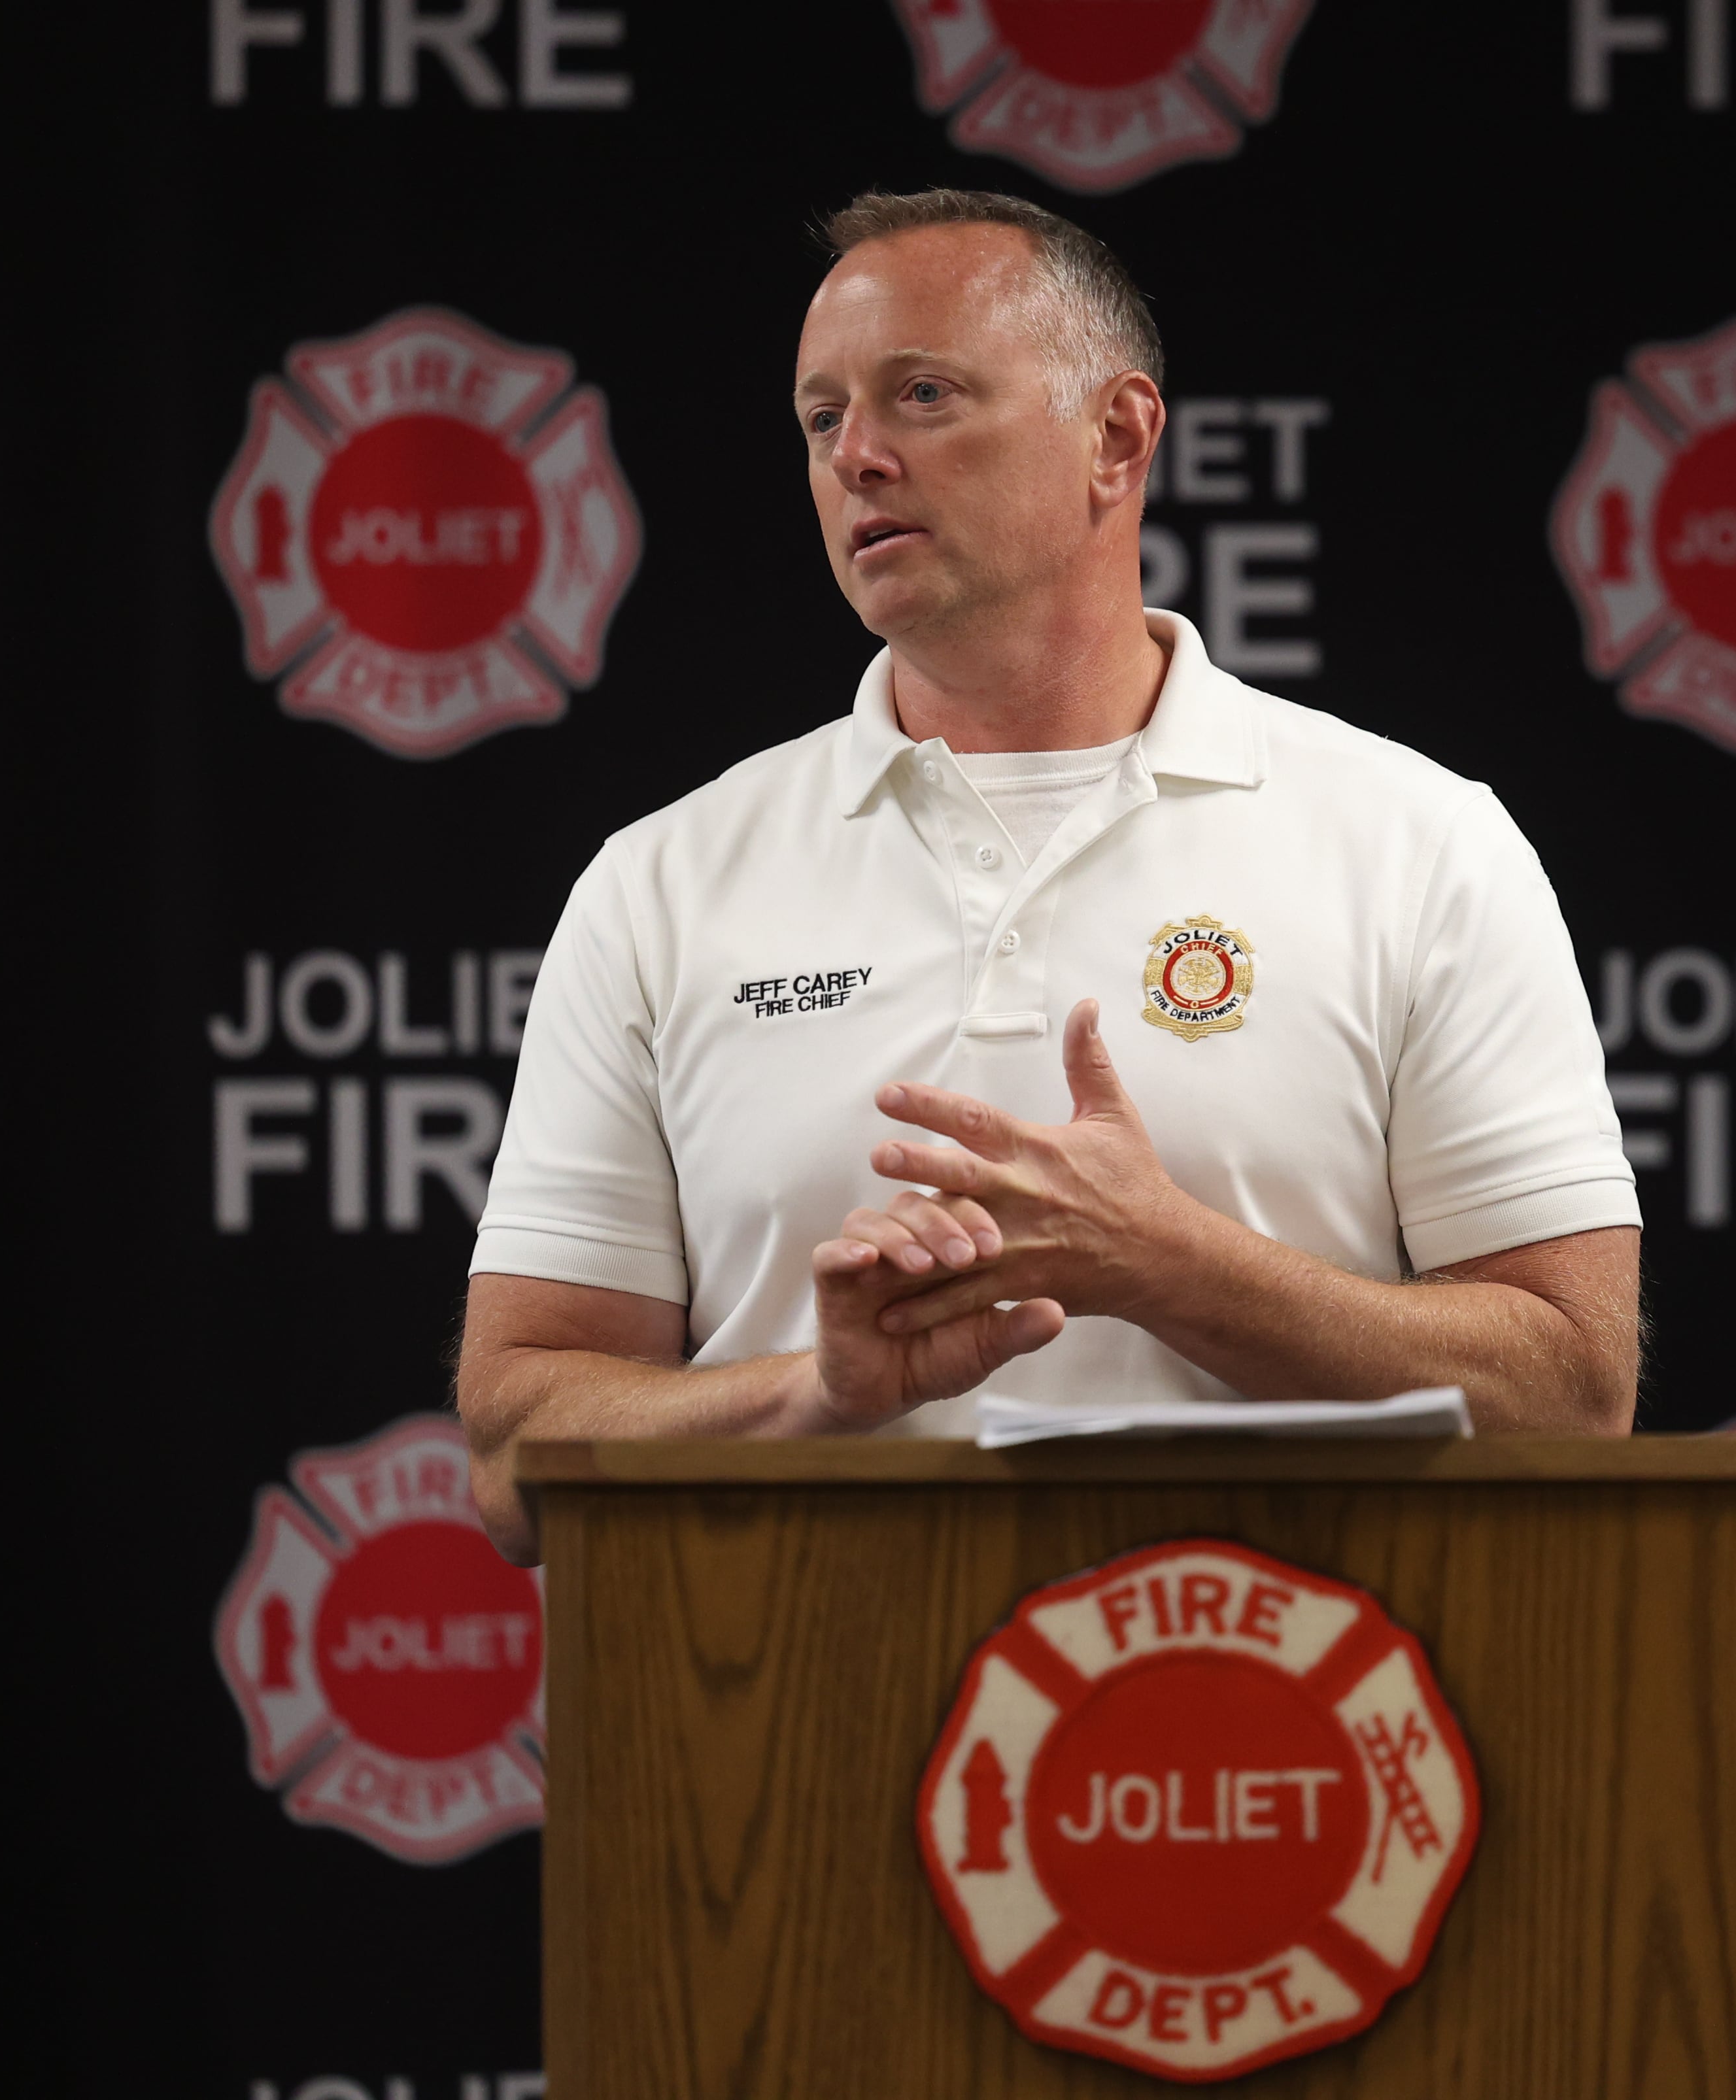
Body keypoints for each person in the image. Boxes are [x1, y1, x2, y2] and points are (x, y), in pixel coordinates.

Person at [454, 190, 1641, 1563]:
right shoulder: (660, 885)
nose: (859, 459)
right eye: (823, 419)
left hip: (1292, 1745)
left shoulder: (1420, 844)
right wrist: (818, 1396)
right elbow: (512, 1451)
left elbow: (1569, 1393)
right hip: (784, 1746)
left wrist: (1170, 1266)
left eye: (924, 394)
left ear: (1118, 437)